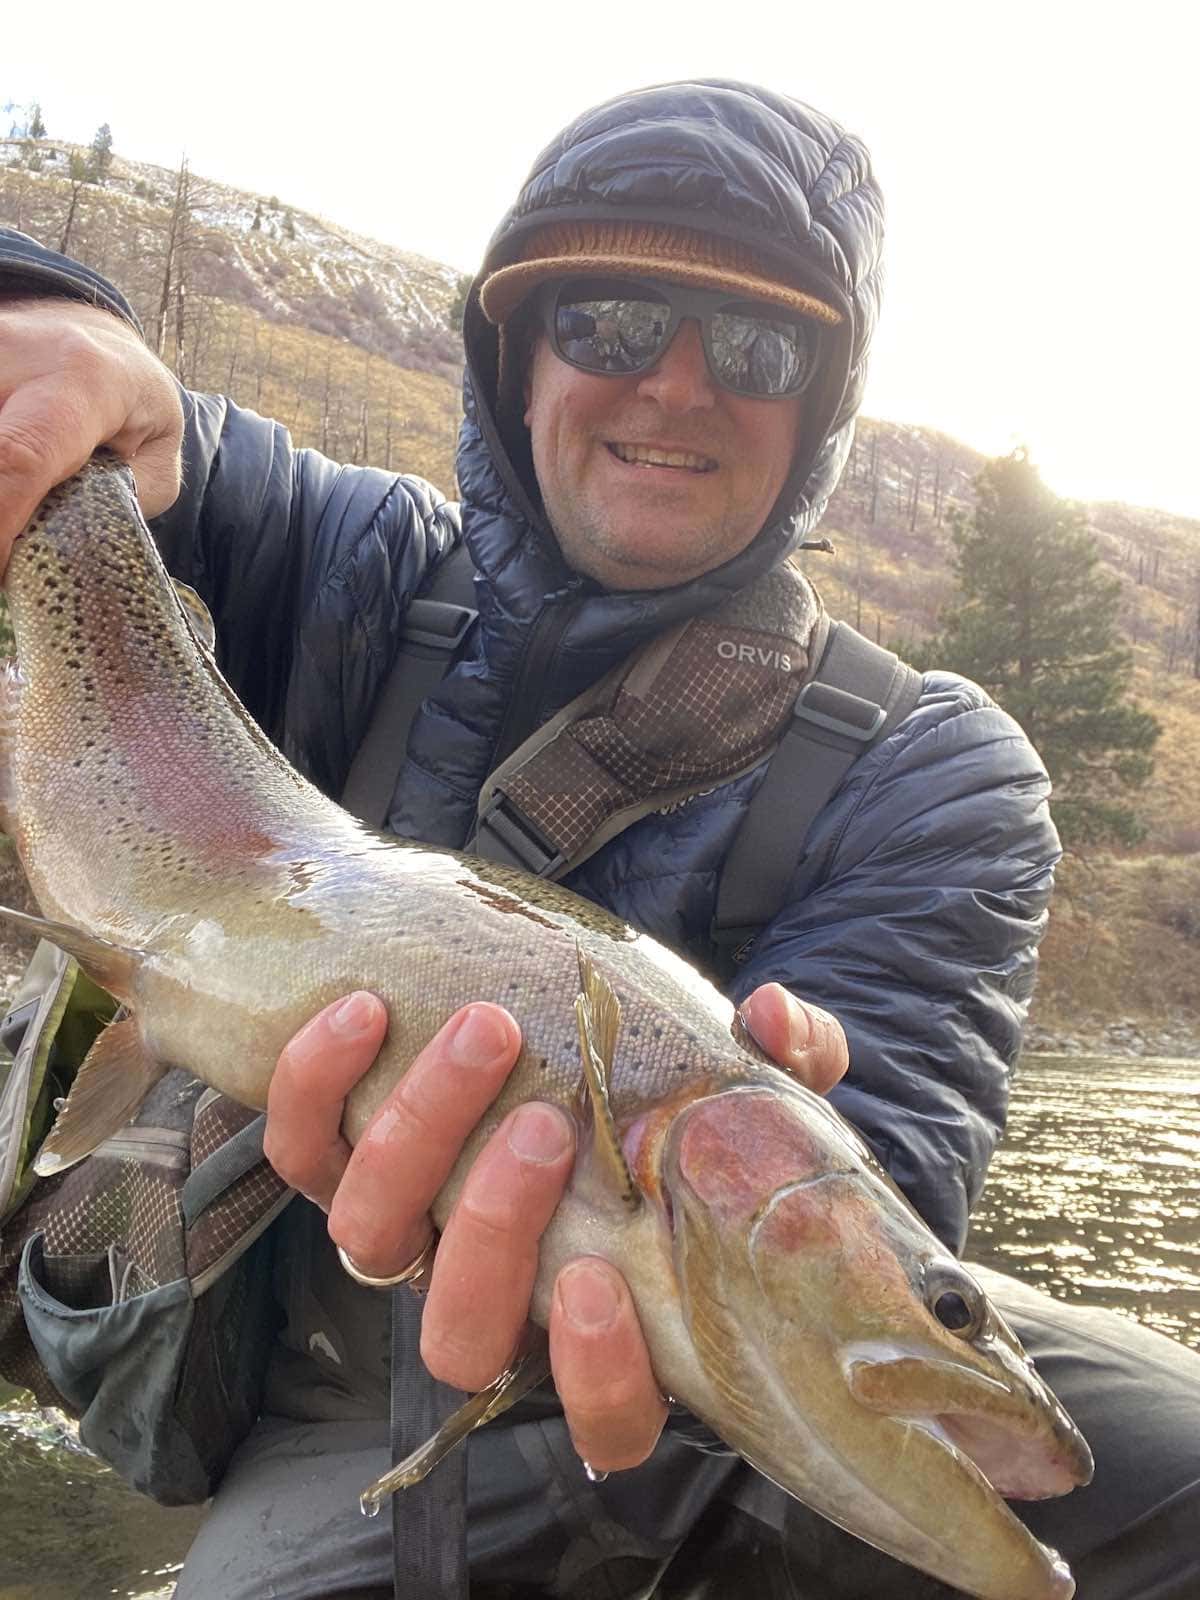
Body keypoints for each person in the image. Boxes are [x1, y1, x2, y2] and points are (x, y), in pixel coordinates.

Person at [0, 78, 1197, 1600]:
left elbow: (884, 1170)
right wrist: (55, 314)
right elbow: (125, 429)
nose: (678, 388)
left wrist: (868, 1264)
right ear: (515, 352)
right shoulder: (329, 550)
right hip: (333, 1388)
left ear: (821, 408)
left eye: (757, 350)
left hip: (712, 1363)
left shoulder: (937, 767)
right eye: (614, 326)